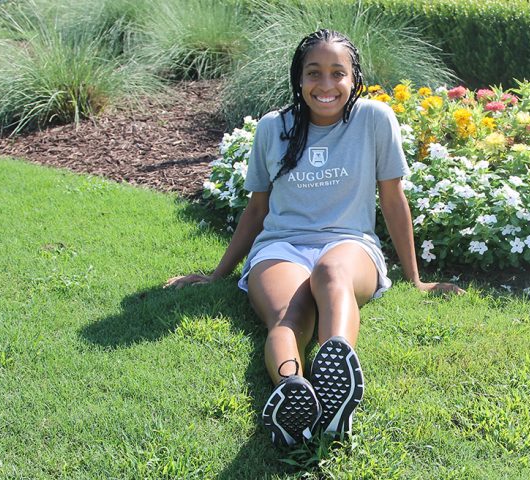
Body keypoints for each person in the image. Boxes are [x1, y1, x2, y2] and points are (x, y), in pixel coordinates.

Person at [165, 29, 463, 447]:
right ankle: (292, 388)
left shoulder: (374, 119)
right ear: (298, 78)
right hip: (281, 246)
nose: (325, 85)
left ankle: (335, 366)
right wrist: (217, 274)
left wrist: (417, 278)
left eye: (337, 73)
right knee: (288, 314)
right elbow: (257, 210)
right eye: (314, 73)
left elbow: (394, 201)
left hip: (350, 244)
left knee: (331, 272)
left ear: (354, 77)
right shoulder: (274, 127)